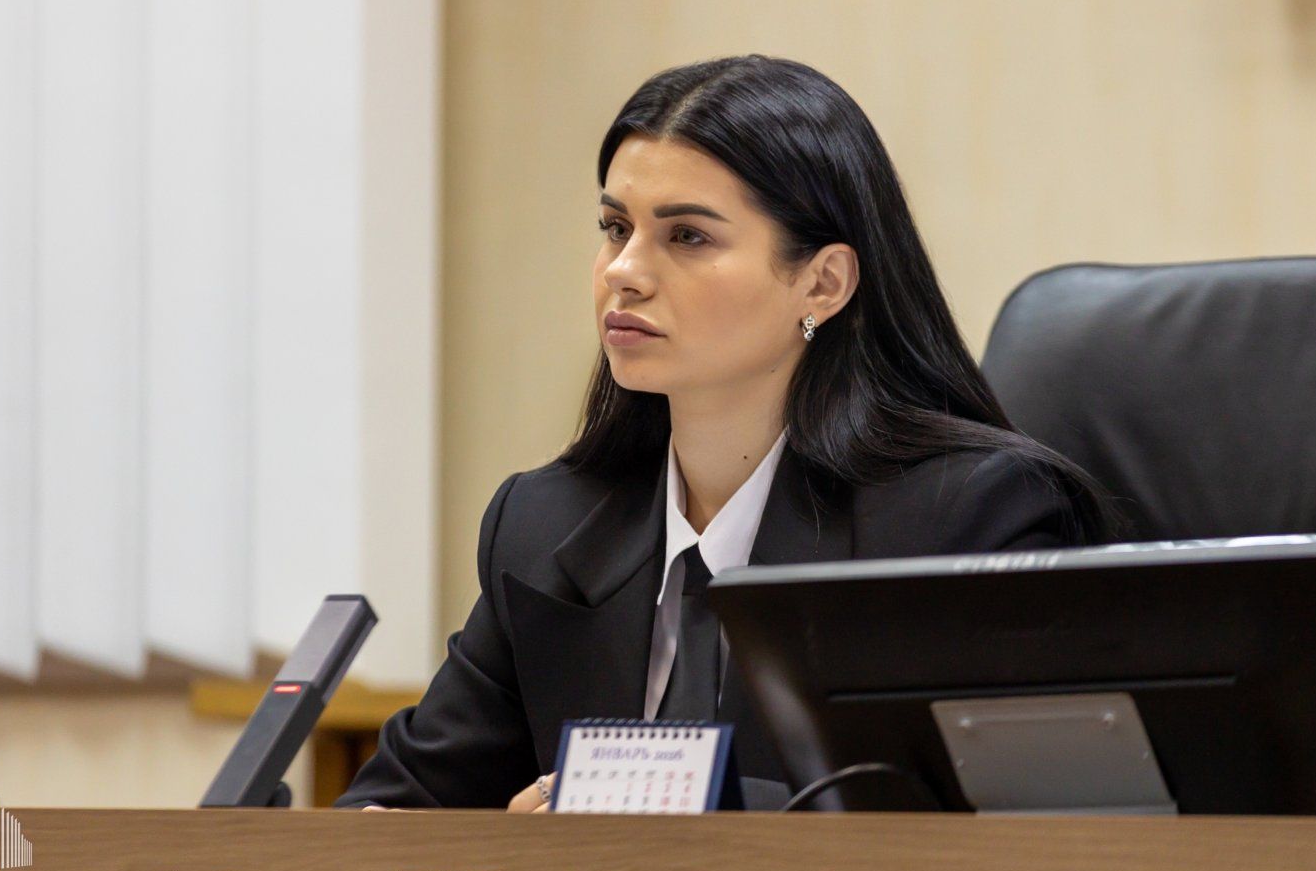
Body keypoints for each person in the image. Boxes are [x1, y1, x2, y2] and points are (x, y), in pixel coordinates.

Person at [338, 54, 1110, 813]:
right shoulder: (544, 527)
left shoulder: (963, 524)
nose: (623, 271)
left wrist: (652, 819)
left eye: (687, 237)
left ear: (822, 283)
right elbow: (396, 815)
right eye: (615, 227)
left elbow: (1012, 833)